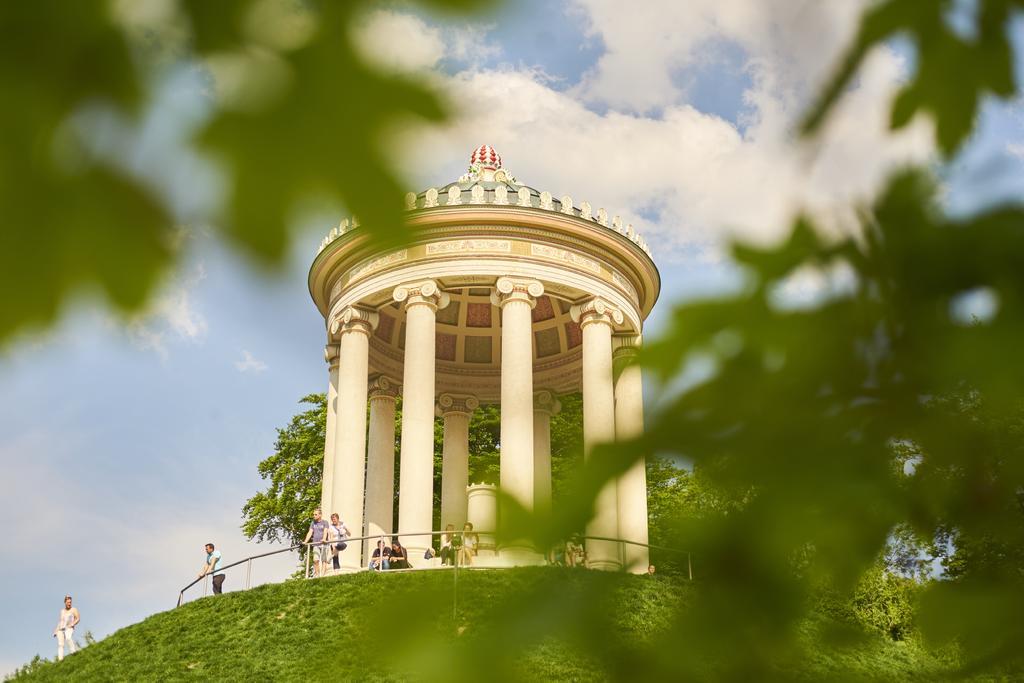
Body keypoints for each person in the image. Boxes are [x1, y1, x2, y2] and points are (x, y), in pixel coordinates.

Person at [302, 508, 329, 577]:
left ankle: (322, 576)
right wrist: (305, 541)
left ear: (320, 515)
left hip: (324, 544)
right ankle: (317, 575)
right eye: (313, 514)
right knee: (315, 560)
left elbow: (325, 531)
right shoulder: (313, 523)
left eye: (315, 514)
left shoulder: (325, 522)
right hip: (315, 544)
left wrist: (323, 539)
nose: (314, 516)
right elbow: (310, 532)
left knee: (324, 560)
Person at [53, 595, 79, 661]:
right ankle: (60, 660)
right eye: (68, 602)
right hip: (61, 629)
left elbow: (78, 618)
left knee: (68, 638)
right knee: (60, 644)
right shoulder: (62, 611)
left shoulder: (74, 609)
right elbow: (60, 621)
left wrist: (72, 624)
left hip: (69, 627)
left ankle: (73, 652)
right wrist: (56, 630)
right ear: (65, 602)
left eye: (70, 602)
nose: (69, 604)